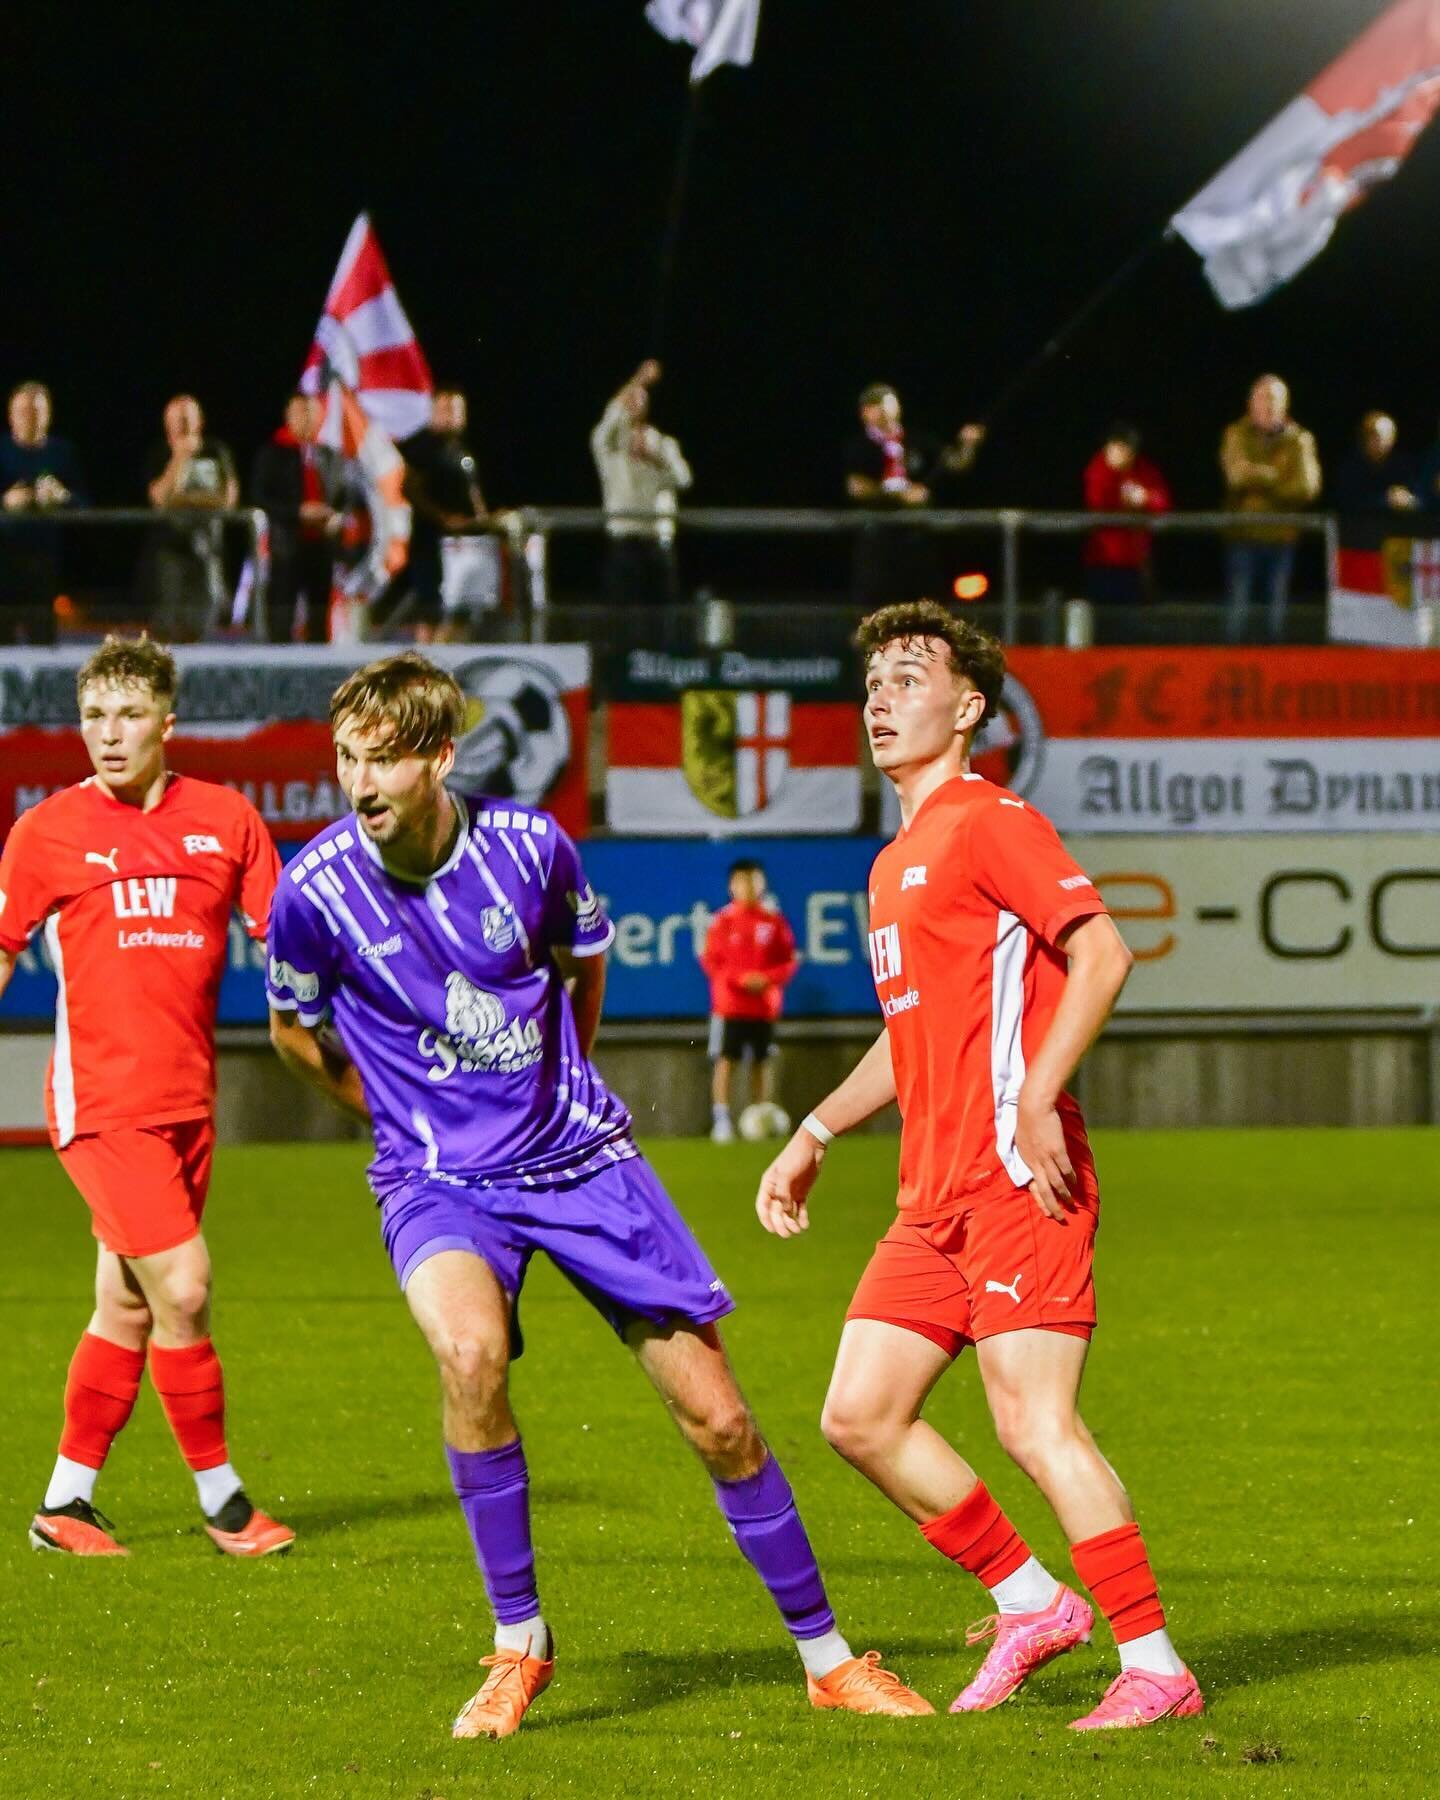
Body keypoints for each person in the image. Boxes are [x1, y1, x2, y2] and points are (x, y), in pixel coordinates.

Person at [266, 653, 929, 1738]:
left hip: (578, 1163)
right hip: (437, 1181)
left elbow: (584, 961)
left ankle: (826, 1656)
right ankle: (519, 1642)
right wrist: (384, 1114)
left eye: (384, 759)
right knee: (469, 1355)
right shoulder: (313, 892)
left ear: (438, 757)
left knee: (719, 1421)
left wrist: (568, 1073)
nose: (361, 783)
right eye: (346, 758)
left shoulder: (532, 849)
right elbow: (293, 1032)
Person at [755, 599, 1202, 1732]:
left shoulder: (989, 819)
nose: (881, 699)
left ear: (972, 708)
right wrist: (815, 1130)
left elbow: (1104, 954)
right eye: (872, 684)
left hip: (1019, 1178)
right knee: (859, 1415)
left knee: (1033, 1425)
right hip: (933, 1198)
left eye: (910, 677)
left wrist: (1042, 1091)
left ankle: (1153, 1663)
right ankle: (1030, 1600)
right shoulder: (895, 860)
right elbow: (910, 1039)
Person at [0, 635, 293, 1559]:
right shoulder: (46, 832)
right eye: (93, 716)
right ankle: (227, 1504)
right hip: (101, 1106)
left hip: (186, 1105)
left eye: (128, 716)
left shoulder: (228, 820)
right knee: (187, 1285)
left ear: (169, 723)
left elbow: (286, 942)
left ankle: (66, 1505)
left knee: (125, 1308)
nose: (109, 735)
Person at [843, 384, 985, 607]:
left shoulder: (917, 439)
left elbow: (956, 463)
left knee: (923, 600)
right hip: (878, 536)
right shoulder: (859, 446)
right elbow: (857, 488)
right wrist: (902, 496)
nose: (881, 412)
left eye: (885, 405)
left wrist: (968, 444)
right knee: (876, 602)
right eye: (873, 406)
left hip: (917, 535)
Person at [371, 388, 490, 641]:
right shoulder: (421, 446)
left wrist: (483, 518)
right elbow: (410, 489)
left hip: (464, 545)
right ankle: (426, 659)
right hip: (429, 541)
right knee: (430, 606)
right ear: (433, 412)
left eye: (456, 410)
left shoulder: (460, 450)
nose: (452, 416)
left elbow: (472, 490)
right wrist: (443, 519)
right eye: (446, 409)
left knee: (463, 609)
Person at [700, 858, 798, 1144]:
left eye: (754, 880)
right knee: (725, 1061)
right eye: (743, 881)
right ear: (732, 886)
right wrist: (741, 980)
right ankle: (722, 1120)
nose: (749, 887)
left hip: (763, 1007)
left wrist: (767, 979)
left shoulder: (774, 922)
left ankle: (760, 1116)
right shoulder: (722, 922)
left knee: (761, 1062)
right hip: (729, 1006)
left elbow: (789, 960)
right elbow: (712, 961)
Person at [1219, 375, 1321, 643]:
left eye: (1274, 400)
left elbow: (1306, 487)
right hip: (1243, 537)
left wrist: (1260, 481)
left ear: (1285, 405)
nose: (1267, 406)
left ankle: (1276, 669)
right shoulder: (1235, 433)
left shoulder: (1300, 439)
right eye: (1262, 398)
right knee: (1237, 611)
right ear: (1250, 403)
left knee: (1276, 613)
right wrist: (1276, 477)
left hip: (1281, 539)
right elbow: (1236, 476)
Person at [591, 360, 692, 607]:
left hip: (654, 541)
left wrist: (655, 460)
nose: (635, 404)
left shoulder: (659, 443)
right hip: (623, 540)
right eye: (630, 401)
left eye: (640, 400)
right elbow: (605, 427)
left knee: (660, 611)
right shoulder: (611, 451)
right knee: (622, 609)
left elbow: (683, 479)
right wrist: (637, 380)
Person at [141, 395, 239, 641]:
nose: (182, 425)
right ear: (167, 423)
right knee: (167, 623)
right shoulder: (158, 453)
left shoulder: (216, 451)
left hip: (209, 551)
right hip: (170, 551)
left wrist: (182, 499)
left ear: (200, 421)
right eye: (177, 420)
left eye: (187, 418)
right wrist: (179, 458)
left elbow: (227, 500)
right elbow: (160, 499)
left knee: (205, 619)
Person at [250, 392, 346, 643]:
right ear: (289, 416)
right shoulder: (272, 454)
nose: (306, 418)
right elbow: (260, 498)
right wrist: (298, 512)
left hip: (322, 548)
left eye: (311, 412)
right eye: (300, 412)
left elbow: (344, 496)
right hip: (286, 548)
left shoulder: (330, 455)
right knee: (282, 615)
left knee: (319, 616)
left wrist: (335, 517)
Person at [0, 381, 89, 645]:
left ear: (48, 415)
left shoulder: (63, 453)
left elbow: (84, 506)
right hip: (3, 564)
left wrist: (62, 497)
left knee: (43, 642)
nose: (31, 417)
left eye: (37, 411)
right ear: (11, 415)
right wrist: (6, 502)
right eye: (24, 411)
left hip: (44, 566)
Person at [1081, 423, 1171, 607]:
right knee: (1104, 618)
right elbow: (1097, 503)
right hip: (1103, 560)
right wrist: (1120, 490)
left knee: (1132, 621)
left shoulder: (1144, 469)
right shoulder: (1098, 469)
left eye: (1127, 449)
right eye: (1118, 447)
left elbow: (1163, 503)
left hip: (1136, 561)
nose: (1123, 454)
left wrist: (1145, 497)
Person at [1332, 411, 1419, 551]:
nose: (1382, 441)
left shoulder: (1404, 465)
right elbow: (1348, 502)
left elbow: (1420, 499)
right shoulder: (1351, 467)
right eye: (1376, 435)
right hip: (1358, 544)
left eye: (1388, 436)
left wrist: (1408, 501)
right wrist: (1385, 500)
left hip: (1397, 544)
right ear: (1364, 437)